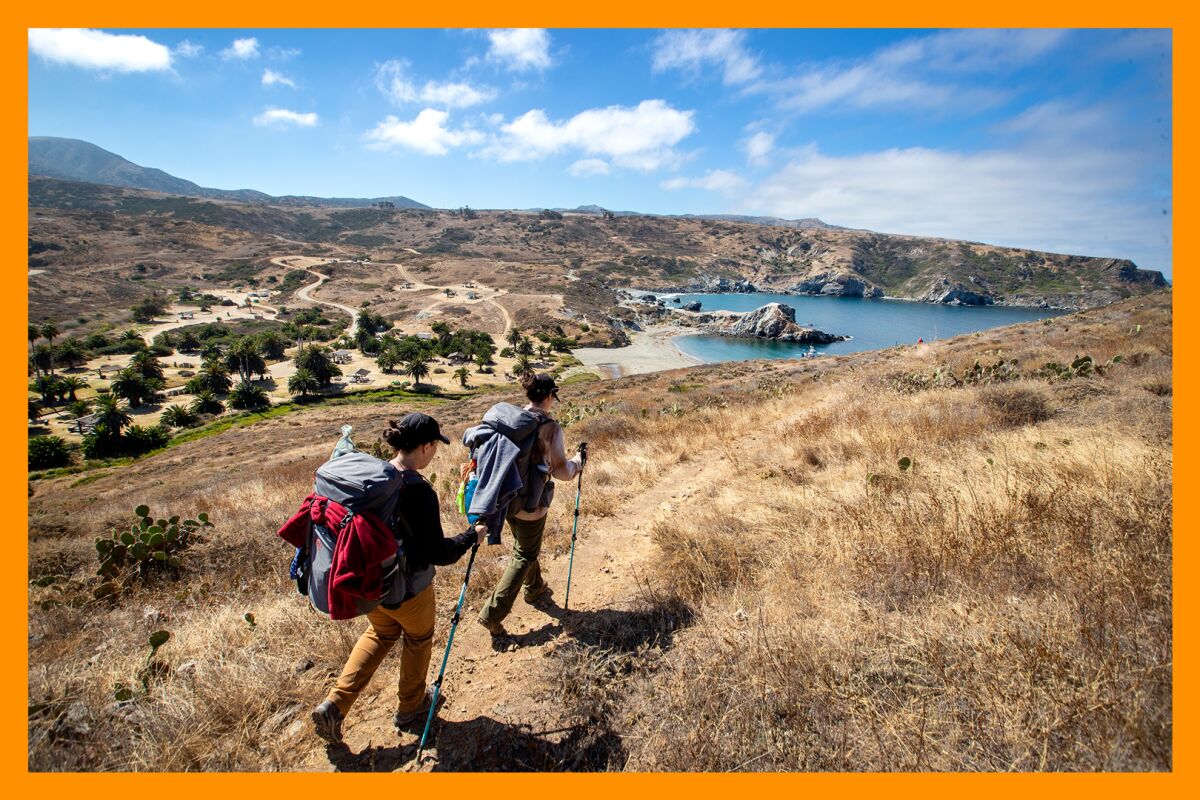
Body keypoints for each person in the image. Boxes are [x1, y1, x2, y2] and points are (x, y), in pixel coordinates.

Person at [312, 412, 486, 744]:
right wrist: (471, 536)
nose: (435, 451)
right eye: (434, 445)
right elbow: (438, 552)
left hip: (374, 584)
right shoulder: (418, 490)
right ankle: (412, 708)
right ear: (424, 447)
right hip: (410, 589)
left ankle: (335, 704)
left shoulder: (378, 478)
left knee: (380, 632)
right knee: (418, 640)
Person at [477, 373, 584, 639]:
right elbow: (561, 470)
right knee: (524, 553)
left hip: (504, 498)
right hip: (532, 503)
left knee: (525, 545)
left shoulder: (511, 420)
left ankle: (534, 589)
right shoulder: (550, 427)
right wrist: (579, 462)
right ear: (549, 396)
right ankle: (492, 614)